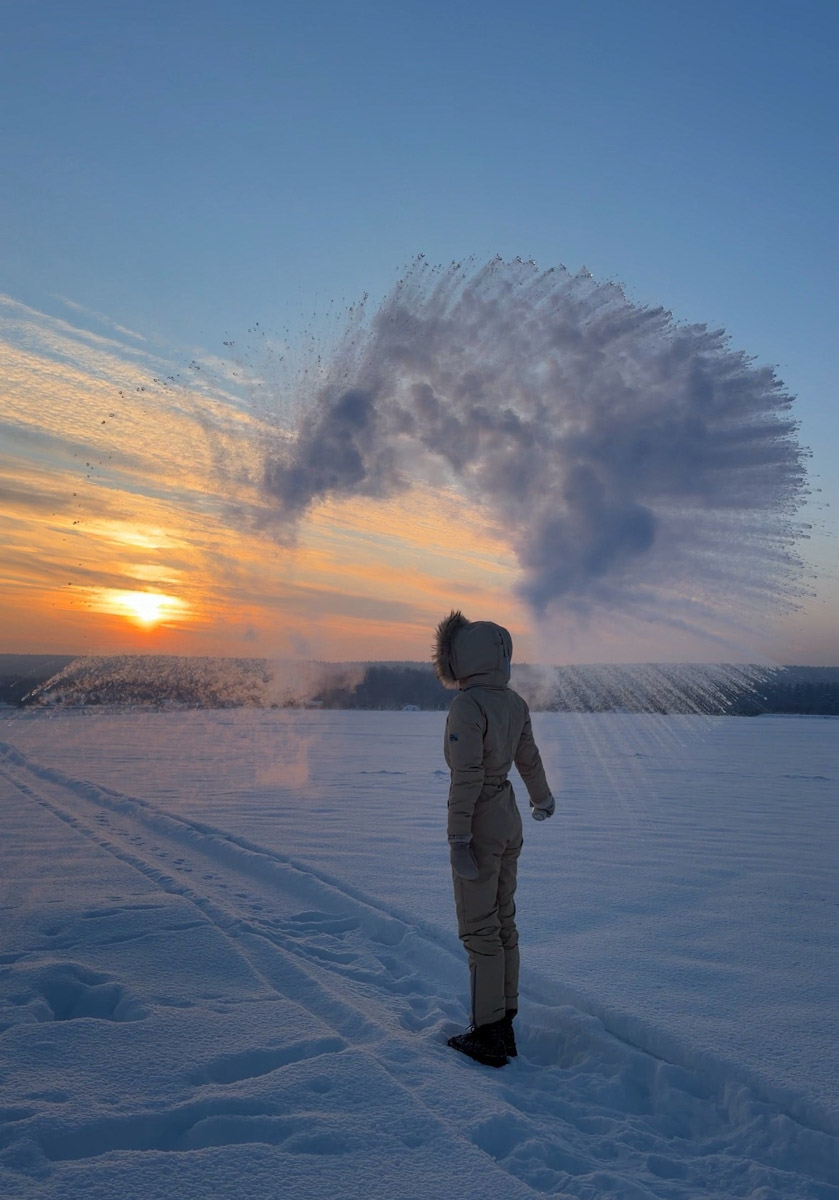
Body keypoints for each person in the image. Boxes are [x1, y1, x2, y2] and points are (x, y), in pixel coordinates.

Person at [433, 610, 554, 1068]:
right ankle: (503, 1022)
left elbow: (466, 776)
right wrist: (542, 799)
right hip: (508, 820)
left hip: (481, 823)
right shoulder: (513, 702)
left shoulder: (469, 705)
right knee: (503, 922)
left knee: (480, 928)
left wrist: (459, 837)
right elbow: (529, 760)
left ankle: (487, 1034)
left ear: (461, 657)